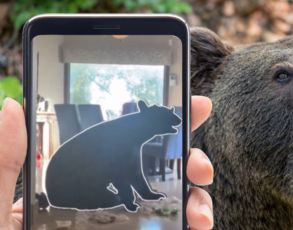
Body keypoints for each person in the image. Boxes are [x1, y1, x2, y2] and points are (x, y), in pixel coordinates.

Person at [0, 96, 214, 230]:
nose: (173, 123)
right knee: (116, 197)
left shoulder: (126, 133)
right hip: (71, 188)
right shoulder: (124, 134)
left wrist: (145, 194)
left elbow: (129, 169)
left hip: (70, 186)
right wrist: (128, 198)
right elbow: (121, 173)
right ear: (148, 121)